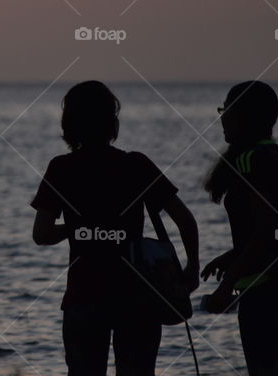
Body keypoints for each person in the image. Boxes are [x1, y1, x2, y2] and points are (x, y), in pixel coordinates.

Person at [32, 81, 200, 376]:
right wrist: (191, 269)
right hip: (138, 297)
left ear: (70, 123)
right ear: (112, 122)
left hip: (84, 296)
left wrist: (77, 229)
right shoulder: (136, 165)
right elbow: (185, 220)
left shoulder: (61, 168)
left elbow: (42, 235)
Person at [201, 81, 278, 375]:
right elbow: (277, 229)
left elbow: (266, 230)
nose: (221, 117)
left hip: (267, 299)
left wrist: (226, 288)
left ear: (241, 116)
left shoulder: (252, 161)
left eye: (225, 110)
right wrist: (230, 257)